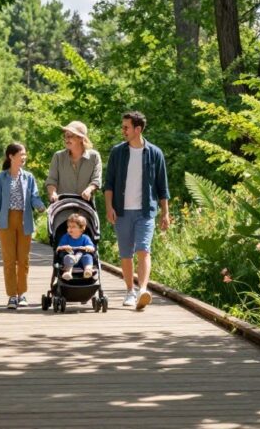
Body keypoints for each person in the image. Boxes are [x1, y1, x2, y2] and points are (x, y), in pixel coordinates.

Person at [103, 111, 170, 310]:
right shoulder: (117, 152)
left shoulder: (155, 153)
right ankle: (130, 291)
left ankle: (142, 290)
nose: (123, 130)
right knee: (126, 254)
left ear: (137, 129)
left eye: (126, 127)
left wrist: (165, 212)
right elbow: (109, 184)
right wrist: (109, 207)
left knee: (143, 250)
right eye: (123, 127)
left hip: (146, 211)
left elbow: (162, 186)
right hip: (122, 211)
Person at [0, 143, 46, 310]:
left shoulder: (28, 177)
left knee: (23, 260)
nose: (24, 157)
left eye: (25, 154)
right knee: (9, 260)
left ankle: (22, 293)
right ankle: (12, 296)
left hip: (25, 220)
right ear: (11, 156)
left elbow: (34, 197)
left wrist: (41, 206)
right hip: (6, 221)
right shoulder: (1, 178)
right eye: (21, 154)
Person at [45, 120, 102, 226]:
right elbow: (52, 180)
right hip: (62, 209)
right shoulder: (58, 156)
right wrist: (53, 193)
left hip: (85, 209)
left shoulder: (94, 157)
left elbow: (96, 180)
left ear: (81, 138)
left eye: (70, 136)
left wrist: (89, 190)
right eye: (65, 136)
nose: (67, 139)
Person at [56, 213, 95, 281]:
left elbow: (92, 248)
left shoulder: (85, 238)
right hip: (69, 258)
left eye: (73, 227)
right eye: (69, 226)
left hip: (81, 261)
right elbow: (58, 248)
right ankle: (68, 272)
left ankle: (88, 270)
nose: (70, 228)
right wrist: (64, 247)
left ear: (82, 228)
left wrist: (88, 247)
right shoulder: (66, 237)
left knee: (88, 256)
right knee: (66, 256)